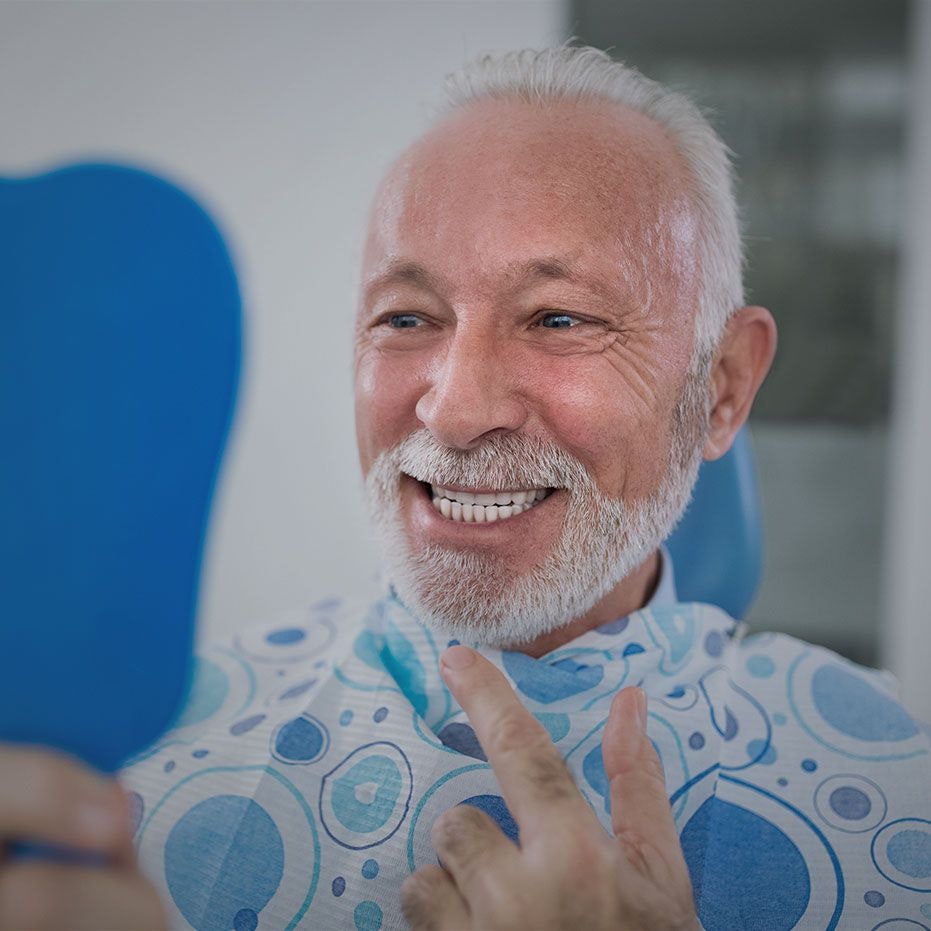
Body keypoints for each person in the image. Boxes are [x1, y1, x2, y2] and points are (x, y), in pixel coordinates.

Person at [1, 46, 929, 931]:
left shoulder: (893, 789)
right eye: (407, 316)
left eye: (558, 317)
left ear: (721, 385)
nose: (453, 410)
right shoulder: (128, 780)